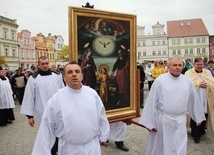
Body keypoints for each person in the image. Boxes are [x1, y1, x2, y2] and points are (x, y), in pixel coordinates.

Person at [31, 61, 110, 155]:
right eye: (70, 72)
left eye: (77, 71)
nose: (74, 74)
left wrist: (104, 135)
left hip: (92, 146)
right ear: (64, 77)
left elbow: (101, 115)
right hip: (69, 149)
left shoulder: (92, 94)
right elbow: (46, 127)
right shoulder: (56, 100)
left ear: (82, 76)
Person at [139, 57, 206, 155]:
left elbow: (193, 100)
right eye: (174, 65)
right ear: (168, 66)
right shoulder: (160, 81)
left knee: (179, 145)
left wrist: (198, 116)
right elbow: (152, 102)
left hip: (180, 120)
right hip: (163, 120)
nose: (177, 67)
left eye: (180, 65)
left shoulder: (187, 81)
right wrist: (149, 122)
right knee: (162, 147)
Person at [20, 56, 65, 155]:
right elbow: (29, 96)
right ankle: (49, 151)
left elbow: (63, 92)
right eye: (42, 64)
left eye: (46, 63)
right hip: (42, 110)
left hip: (58, 110)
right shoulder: (34, 79)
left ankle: (59, 150)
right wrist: (30, 116)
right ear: (38, 65)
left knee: (60, 130)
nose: (45, 66)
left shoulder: (57, 76)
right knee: (46, 133)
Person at [185, 57, 214, 143]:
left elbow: (212, 82)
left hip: (205, 98)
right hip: (195, 98)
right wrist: (198, 84)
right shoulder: (188, 73)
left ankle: (201, 130)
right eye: (198, 64)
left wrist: (207, 85)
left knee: (205, 114)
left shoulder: (207, 72)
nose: (200, 66)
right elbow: (186, 84)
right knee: (195, 115)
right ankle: (196, 134)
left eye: (201, 64)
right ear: (194, 64)